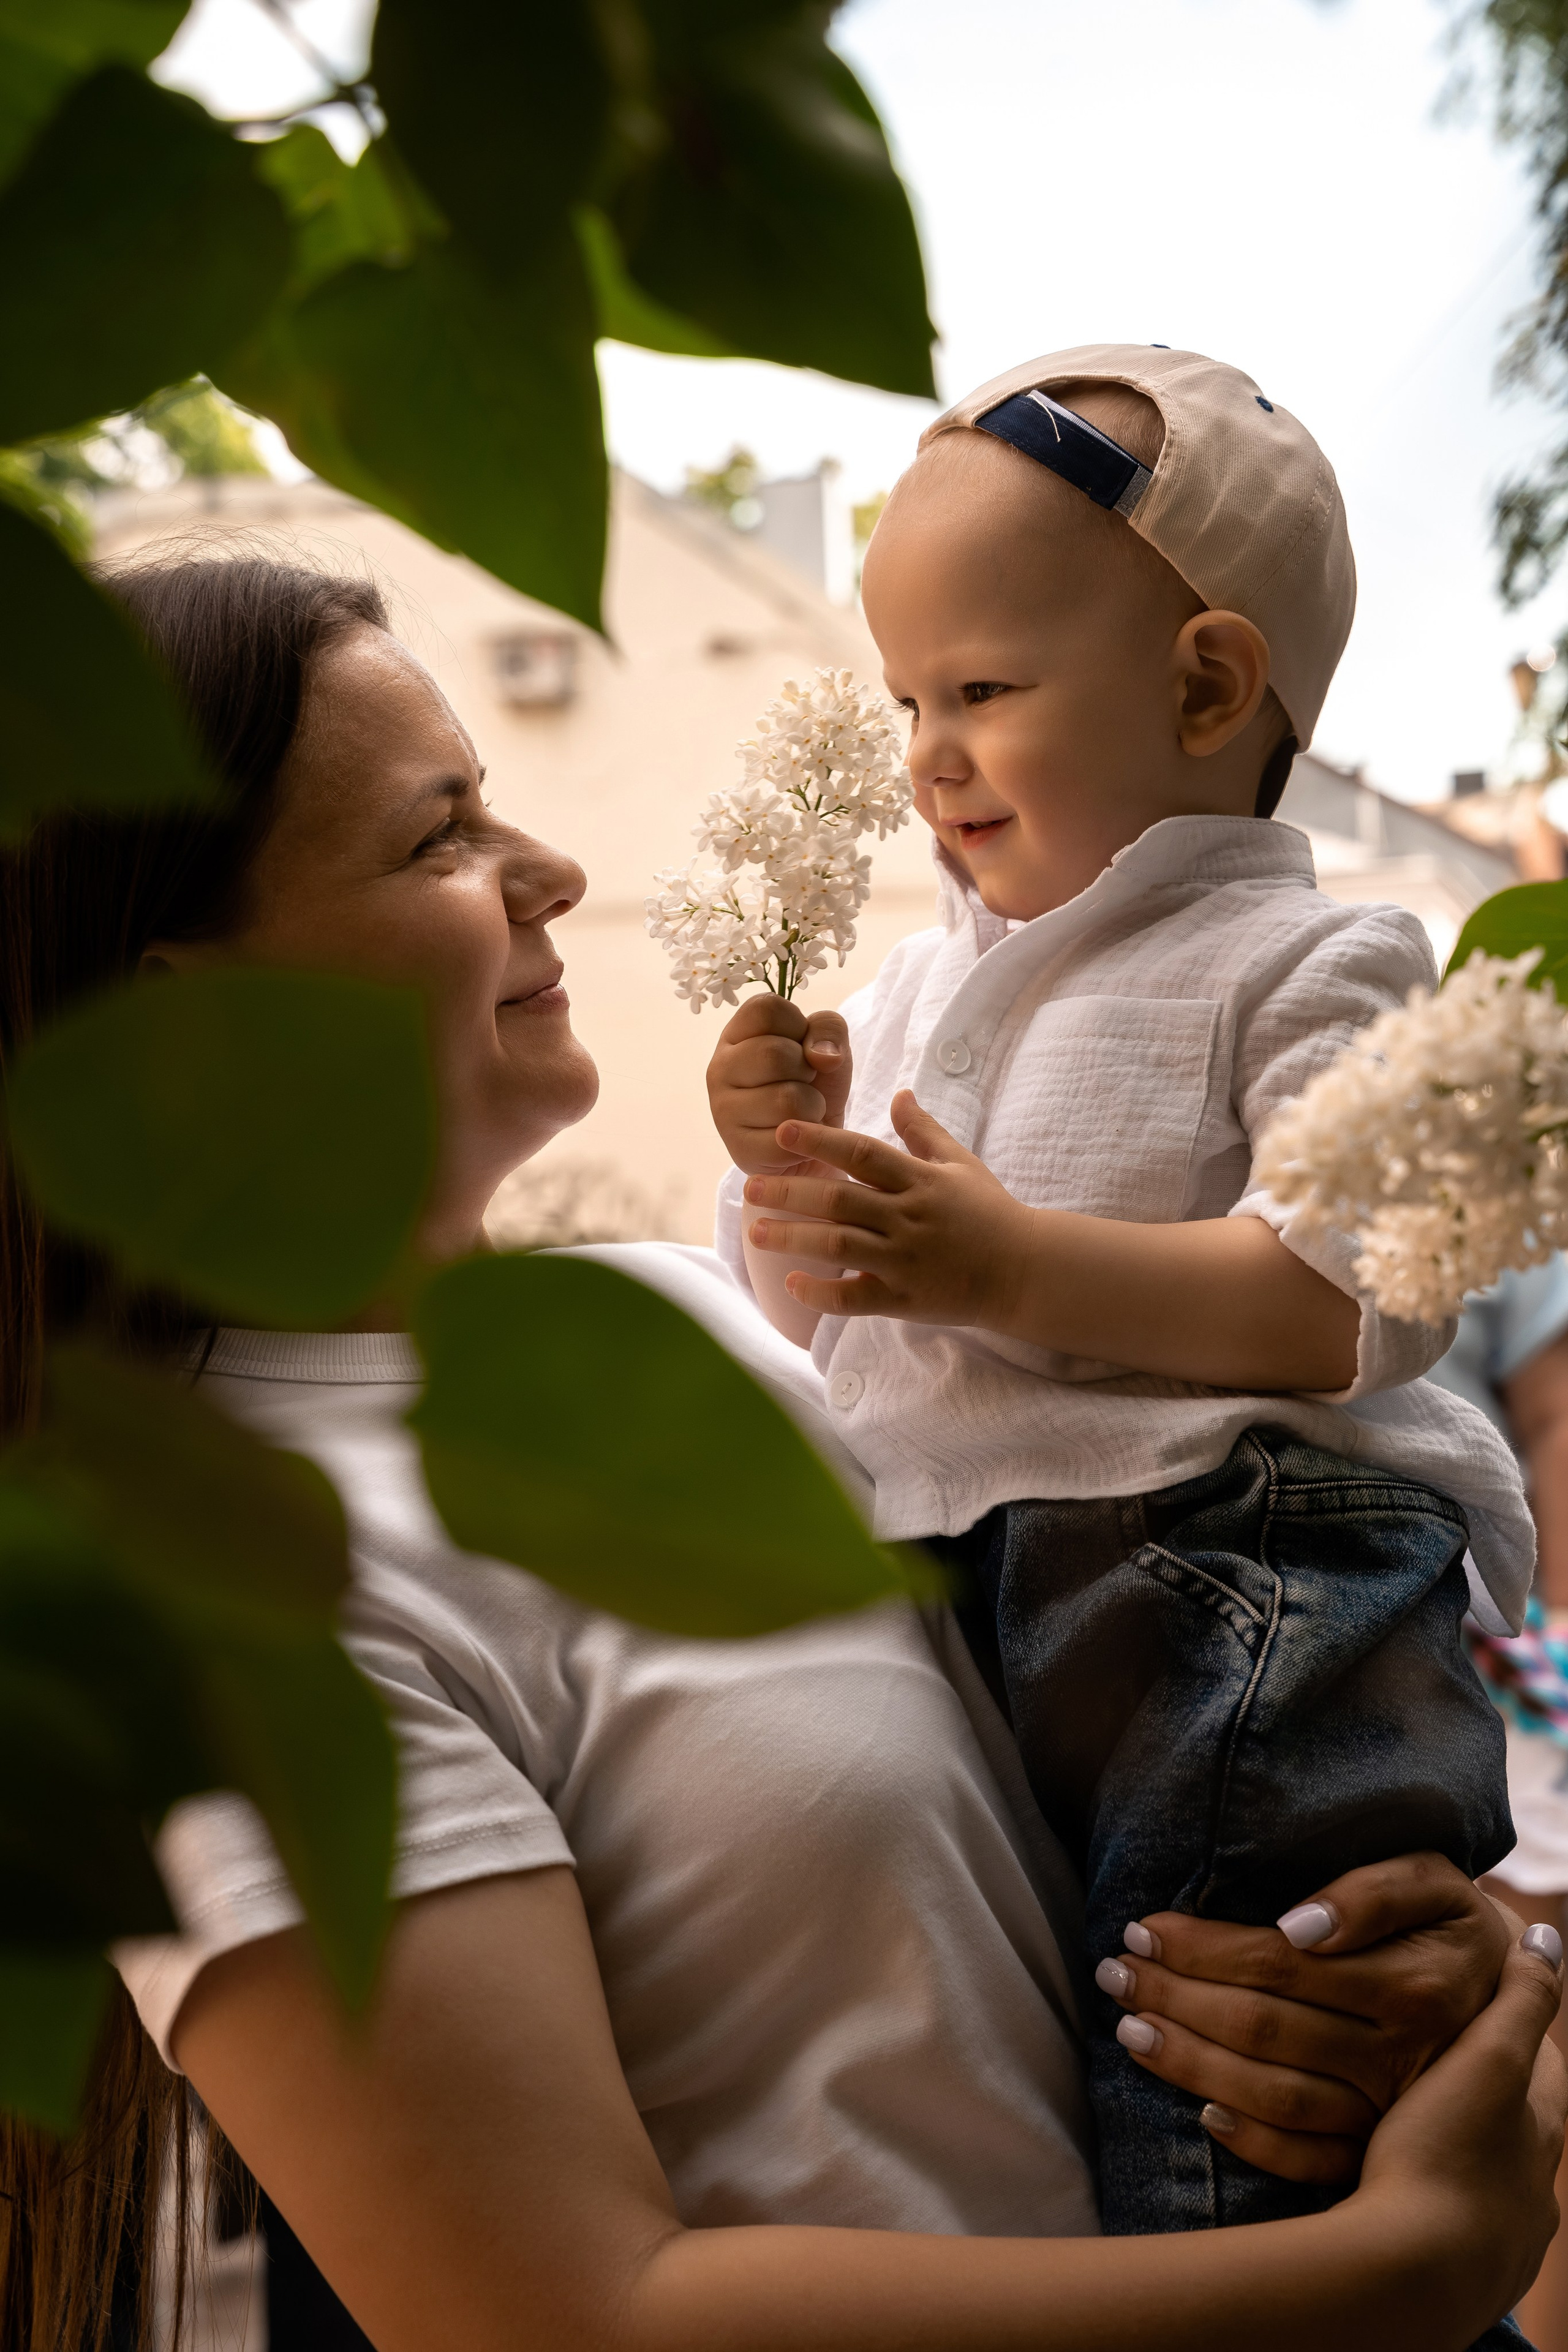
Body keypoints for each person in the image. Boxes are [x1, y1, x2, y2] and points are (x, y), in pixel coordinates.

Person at [1, 552, 1561, 2352]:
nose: (556, 872)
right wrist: (1380, 2277)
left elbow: (1114, 1780)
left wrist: (1386, 1952)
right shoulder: (206, 1599)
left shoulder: (696, 1319)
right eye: (439, 840)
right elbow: (561, 2318)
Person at [704, 346, 1534, 2277]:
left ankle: (1274, 2292)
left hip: (1236, 1563)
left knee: (1221, 2036)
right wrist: (791, 1176)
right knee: (1070, 2016)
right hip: (986, 1561)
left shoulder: (1317, 954)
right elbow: (844, 1334)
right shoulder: (919, 988)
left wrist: (1005, 1263)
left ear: (1208, 684)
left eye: (982, 692)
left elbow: (1352, 1303)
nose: (927, 752)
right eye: (909, 698)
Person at [1430, 1261, 1568, 2348]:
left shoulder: (1496, 1171)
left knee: (1529, 2015)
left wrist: (1552, 1638)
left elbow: (1558, 1409)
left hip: (1509, 1662)